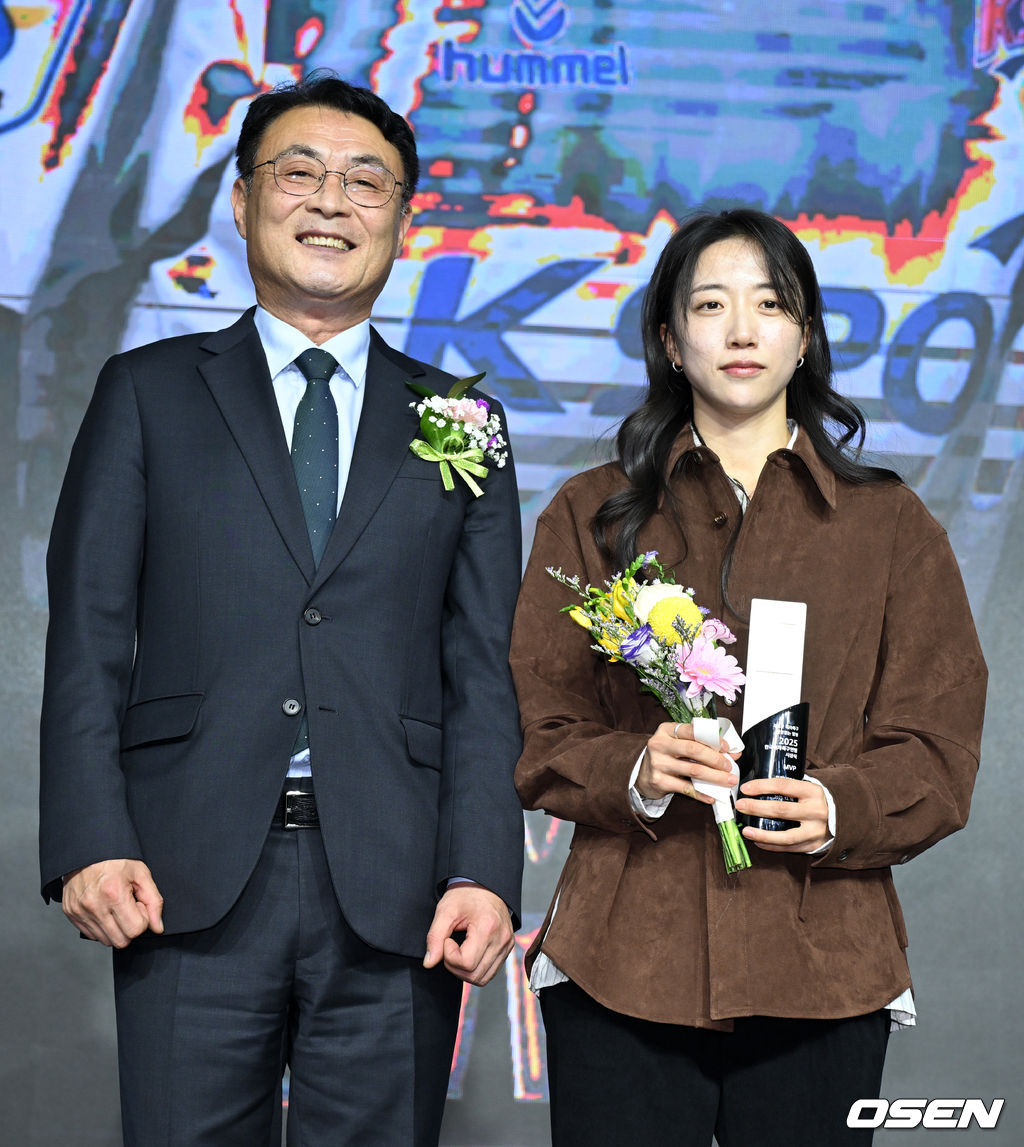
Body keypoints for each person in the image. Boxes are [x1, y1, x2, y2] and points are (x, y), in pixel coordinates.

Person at [39, 71, 524, 1146]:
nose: (330, 202)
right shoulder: (147, 392)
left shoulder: (462, 419)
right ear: (244, 199)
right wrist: (88, 839)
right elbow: (87, 637)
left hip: (397, 886)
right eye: (299, 172)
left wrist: (483, 868)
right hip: (182, 874)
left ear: (402, 217)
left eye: (365, 181)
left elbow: (483, 671)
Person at [510, 208, 986, 1146]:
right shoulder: (592, 513)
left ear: (804, 336)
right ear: (668, 339)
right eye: (710, 305)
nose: (740, 330)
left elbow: (938, 745)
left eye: (770, 305)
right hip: (625, 959)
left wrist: (841, 804)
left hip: (823, 965)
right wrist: (636, 769)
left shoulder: (889, 524)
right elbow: (542, 728)